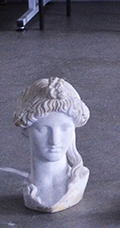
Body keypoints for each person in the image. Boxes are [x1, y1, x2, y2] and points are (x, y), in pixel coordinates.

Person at [13, 78, 90, 213]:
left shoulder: (78, 180)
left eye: (64, 128)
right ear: (26, 130)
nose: (55, 140)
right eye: (42, 129)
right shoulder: (31, 190)